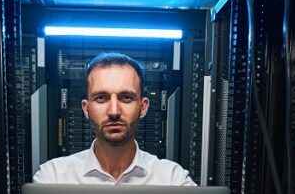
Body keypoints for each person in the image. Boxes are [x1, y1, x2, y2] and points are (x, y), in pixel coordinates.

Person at [32, 52, 195, 185]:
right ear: (86, 108)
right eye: (101, 98)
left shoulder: (173, 180)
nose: (114, 111)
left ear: (143, 107)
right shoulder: (52, 178)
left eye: (126, 98)